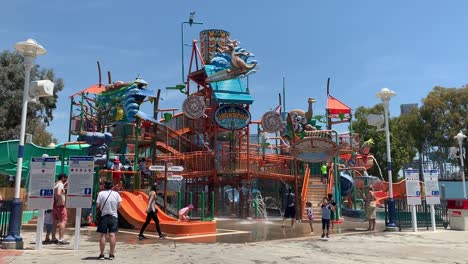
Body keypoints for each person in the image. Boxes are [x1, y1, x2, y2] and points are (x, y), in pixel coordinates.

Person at [96, 181, 122, 260]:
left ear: (104, 186)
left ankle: (102, 254)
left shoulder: (100, 194)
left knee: (103, 235)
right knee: (112, 235)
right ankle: (111, 254)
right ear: (112, 186)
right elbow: (120, 205)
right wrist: (114, 209)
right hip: (113, 216)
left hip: (104, 216)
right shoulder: (116, 194)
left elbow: (97, 205)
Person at [51, 173, 69, 245]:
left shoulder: (56, 184)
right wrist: (62, 201)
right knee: (63, 221)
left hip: (54, 206)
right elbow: (58, 193)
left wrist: (64, 186)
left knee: (55, 222)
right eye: (66, 178)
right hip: (60, 206)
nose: (66, 180)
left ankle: (53, 238)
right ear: (63, 178)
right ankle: (61, 239)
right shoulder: (60, 184)